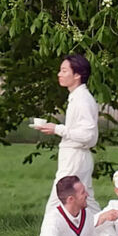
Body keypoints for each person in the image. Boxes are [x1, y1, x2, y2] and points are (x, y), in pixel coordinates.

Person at [33, 54, 101, 214]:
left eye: (64, 71)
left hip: (75, 160)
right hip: (74, 157)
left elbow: (88, 136)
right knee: (87, 203)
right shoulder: (77, 98)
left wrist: (57, 129)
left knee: (56, 205)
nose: (59, 74)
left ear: (77, 75)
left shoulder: (82, 100)